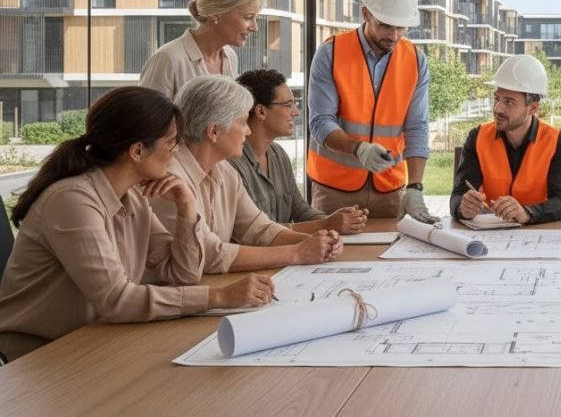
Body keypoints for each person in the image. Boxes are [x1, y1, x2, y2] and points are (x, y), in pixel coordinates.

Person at [0, 88, 275, 363]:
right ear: (137, 151)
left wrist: (186, 207)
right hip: (36, 356)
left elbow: (184, 273)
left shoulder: (133, 196)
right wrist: (219, 297)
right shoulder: (72, 201)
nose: (176, 153)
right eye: (171, 144)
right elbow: (116, 299)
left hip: (95, 339)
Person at [152, 75, 343, 273]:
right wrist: (296, 253)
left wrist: (318, 241)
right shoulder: (170, 179)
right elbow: (207, 254)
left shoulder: (225, 171)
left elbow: (259, 228)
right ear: (214, 131)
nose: (248, 131)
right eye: (243, 122)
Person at [306, 0, 437, 222]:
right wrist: (359, 149)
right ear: (365, 14)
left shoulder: (415, 60)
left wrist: (415, 187)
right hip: (334, 192)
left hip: (390, 191)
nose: (394, 36)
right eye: (385, 25)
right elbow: (320, 122)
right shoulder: (331, 53)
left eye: (401, 27)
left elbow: (417, 126)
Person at [229, 69, 368, 234]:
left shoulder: (278, 155)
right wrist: (326, 224)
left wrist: (340, 220)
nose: (296, 112)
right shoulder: (231, 164)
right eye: (288, 105)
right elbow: (255, 233)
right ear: (261, 111)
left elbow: (300, 210)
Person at [450, 55, 561, 225]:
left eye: (509, 102)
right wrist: (462, 208)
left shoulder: (557, 142)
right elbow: (458, 195)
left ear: (533, 108)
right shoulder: (477, 137)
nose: (498, 108)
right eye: (497, 98)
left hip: (540, 233)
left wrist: (527, 213)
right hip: (491, 234)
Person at [140, 0, 264, 99]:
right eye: (248, 17)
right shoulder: (168, 59)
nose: (255, 28)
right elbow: (144, 111)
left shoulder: (230, 56)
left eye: (256, 19)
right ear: (216, 14)